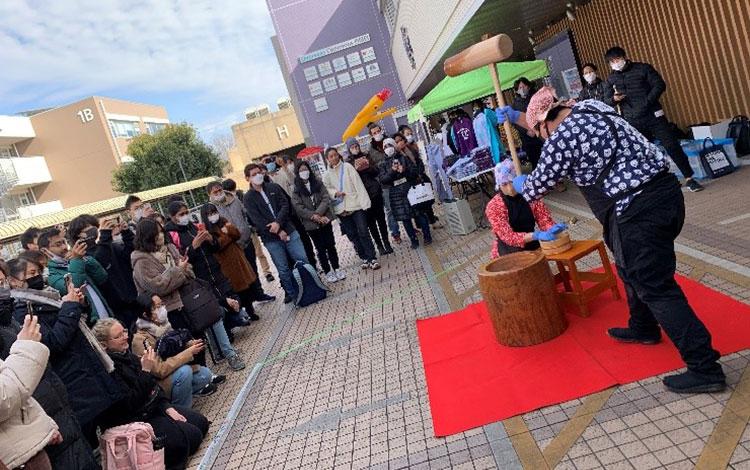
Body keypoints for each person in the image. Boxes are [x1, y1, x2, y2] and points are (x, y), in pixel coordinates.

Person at [500, 86, 725, 393]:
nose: (540, 138)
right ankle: (643, 327)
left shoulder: (561, 140)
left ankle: (705, 367)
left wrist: (520, 181)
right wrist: (516, 117)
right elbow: (546, 124)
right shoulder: (591, 106)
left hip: (637, 209)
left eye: (538, 132)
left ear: (546, 123)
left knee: (655, 286)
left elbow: (534, 189)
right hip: (666, 194)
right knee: (628, 267)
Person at [7, 258, 124, 442]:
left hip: (87, 372)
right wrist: (70, 307)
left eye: (38, 271)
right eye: (30, 273)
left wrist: (78, 303)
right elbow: (53, 343)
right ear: (13, 280)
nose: (37, 276)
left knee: (117, 433)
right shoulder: (23, 310)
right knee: (93, 440)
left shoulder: (48, 296)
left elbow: (73, 322)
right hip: (73, 382)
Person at [93, 318, 209, 470]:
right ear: (104, 345)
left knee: (201, 422)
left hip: (153, 407)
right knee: (192, 437)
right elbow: (131, 402)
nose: (125, 337)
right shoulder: (106, 370)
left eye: (124, 332)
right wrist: (146, 371)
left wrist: (167, 407)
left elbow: (153, 387)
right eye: (118, 336)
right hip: (136, 419)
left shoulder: (126, 355)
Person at [131, 218, 246, 371]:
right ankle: (203, 372)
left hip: (188, 295)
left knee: (212, 317)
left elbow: (187, 269)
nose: (160, 236)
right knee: (189, 339)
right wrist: (178, 271)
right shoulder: (141, 261)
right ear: (146, 236)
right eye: (156, 233)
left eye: (161, 232)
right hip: (170, 307)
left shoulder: (170, 248)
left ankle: (227, 355)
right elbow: (159, 287)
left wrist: (181, 271)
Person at [604, 46, 703, 192]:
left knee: (671, 145)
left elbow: (659, 85)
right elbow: (606, 100)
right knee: (643, 152)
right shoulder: (611, 78)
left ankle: (689, 178)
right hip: (633, 120)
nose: (615, 63)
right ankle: (659, 182)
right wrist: (614, 99)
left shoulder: (643, 68)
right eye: (612, 61)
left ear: (624, 57)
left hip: (654, 115)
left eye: (617, 59)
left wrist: (647, 102)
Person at [164, 201, 251, 332]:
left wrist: (210, 239)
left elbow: (215, 248)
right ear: (172, 216)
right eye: (181, 214)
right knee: (215, 304)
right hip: (199, 275)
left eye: (187, 212)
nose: (185, 216)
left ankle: (236, 319)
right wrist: (193, 247)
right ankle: (227, 332)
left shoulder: (194, 226)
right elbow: (180, 259)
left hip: (215, 269)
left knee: (230, 295)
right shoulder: (172, 234)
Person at [131, 293, 224, 408]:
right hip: (160, 383)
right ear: (145, 314)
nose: (162, 309)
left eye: (162, 304)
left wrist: (190, 345)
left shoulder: (164, 325)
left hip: (174, 372)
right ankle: (182, 410)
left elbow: (173, 347)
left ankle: (185, 393)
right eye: (156, 307)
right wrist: (188, 352)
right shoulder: (140, 339)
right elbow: (160, 370)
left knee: (205, 375)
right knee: (185, 372)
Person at [0, 314, 62, 470]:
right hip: (17, 460)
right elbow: (3, 399)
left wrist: (44, 426)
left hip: (24, 448)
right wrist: (27, 348)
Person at [243, 163, 309, 304]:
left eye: (259, 172)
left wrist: (278, 224)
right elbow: (257, 220)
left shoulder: (273, 187)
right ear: (247, 178)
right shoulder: (248, 198)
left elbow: (285, 205)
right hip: (271, 238)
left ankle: (310, 288)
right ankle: (294, 296)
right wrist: (278, 231)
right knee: (283, 269)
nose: (258, 175)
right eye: (253, 174)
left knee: (303, 259)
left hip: (289, 230)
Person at [206, 181, 275, 302]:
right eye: (214, 192)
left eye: (219, 190)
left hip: (246, 240)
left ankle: (259, 294)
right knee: (239, 275)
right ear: (209, 194)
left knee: (252, 269)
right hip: (231, 247)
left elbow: (245, 214)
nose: (218, 193)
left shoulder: (234, 199)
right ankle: (246, 302)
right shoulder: (211, 209)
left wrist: (249, 228)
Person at [485, 159, 562, 258]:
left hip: (532, 246)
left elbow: (543, 220)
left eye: (512, 182)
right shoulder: (494, 206)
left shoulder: (531, 196)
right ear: (499, 185)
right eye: (504, 184)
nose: (510, 188)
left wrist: (551, 228)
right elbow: (507, 236)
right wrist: (535, 235)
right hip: (508, 251)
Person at [199, 202, 262, 320]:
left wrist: (228, 230)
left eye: (214, 212)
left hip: (238, 258)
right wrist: (226, 235)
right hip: (225, 264)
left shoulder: (223, 221)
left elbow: (237, 234)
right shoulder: (207, 231)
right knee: (235, 289)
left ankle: (250, 310)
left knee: (247, 287)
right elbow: (217, 246)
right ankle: (240, 314)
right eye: (209, 214)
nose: (213, 215)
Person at [322, 147, 380, 270]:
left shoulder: (348, 167)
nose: (334, 158)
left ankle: (372, 257)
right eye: (330, 156)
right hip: (341, 209)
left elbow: (358, 184)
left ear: (338, 155)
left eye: (335, 155)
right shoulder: (326, 175)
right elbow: (326, 188)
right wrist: (335, 193)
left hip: (355, 205)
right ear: (327, 159)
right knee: (353, 235)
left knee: (363, 231)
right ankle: (364, 257)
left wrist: (365, 203)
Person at [39, 225, 113, 321]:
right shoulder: (50, 275)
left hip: (105, 314)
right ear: (45, 251)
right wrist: (77, 260)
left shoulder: (74, 261)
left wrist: (84, 258)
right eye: (58, 245)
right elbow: (73, 288)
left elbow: (102, 277)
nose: (65, 247)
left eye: (64, 242)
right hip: (90, 322)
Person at [291, 161, 345, 284]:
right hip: (311, 225)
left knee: (330, 244)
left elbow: (326, 198)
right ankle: (327, 271)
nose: (304, 172)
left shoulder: (318, 183)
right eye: (301, 170)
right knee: (320, 248)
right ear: (297, 173)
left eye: (306, 169)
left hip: (325, 219)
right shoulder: (296, 190)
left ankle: (337, 268)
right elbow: (298, 207)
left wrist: (319, 213)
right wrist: (314, 216)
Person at [379, 138, 432, 249]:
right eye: (385, 147)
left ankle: (427, 236)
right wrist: (393, 171)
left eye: (390, 145)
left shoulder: (404, 158)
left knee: (419, 212)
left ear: (394, 146)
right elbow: (383, 180)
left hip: (410, 188)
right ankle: (413, 240)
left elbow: (414, 171)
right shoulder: (383, 164)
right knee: (404, 218)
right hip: (395, 193)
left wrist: (405, 170)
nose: (388, 148)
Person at [221, 178, 275, 283]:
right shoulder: (223, 201)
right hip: (236, 236)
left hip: (249, 230)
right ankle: (253, 278)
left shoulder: (242, 196)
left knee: (259, 252)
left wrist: (252, 226)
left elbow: (247, 213)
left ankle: (267, 272)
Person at [348, 138, 394, 256]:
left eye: (356, 146)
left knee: (381, 220)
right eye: (352, 147)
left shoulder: (367, 155)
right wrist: (356, 170)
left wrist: (367, 166)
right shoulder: (348, 163)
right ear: (349, 149)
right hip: (362, 196)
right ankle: (379, 245)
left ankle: (386, 242)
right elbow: (350, 180)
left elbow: (376, 171)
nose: (355, 148)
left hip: (375, 192)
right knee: (371, 223)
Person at [395, 130, 440, 226]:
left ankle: (432, 220)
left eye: (401, 140)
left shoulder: (411, 149)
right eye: (397, 141)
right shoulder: (397, 156)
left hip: (421, 178)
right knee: (416, 204)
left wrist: (419, 172)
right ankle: (420, 224)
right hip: (410, 181)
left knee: (426, 200)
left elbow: (419, 161)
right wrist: (413, 174)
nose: (400, 142)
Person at [367, 122, 401, 243]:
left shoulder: (389, 140)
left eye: (378, 131)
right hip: (385, 182)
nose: (377, 134)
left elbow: (398, 154)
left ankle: (411, 226)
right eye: (374, 133)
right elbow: (373, 167)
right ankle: (395, 232)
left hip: (399, 177)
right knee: (390, 208)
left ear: (381, 130)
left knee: (405, 203)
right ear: (371, 135)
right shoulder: (371, 150)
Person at [511, 77, 544, 168]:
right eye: (520, 88)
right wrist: (527, 131)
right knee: (535, 161)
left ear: (528, 86)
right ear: (517, 91)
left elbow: (543, 112)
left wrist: (537, 128)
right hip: (527, 138)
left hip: (541, 133)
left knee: (547, 158)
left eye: (524, 86)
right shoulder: (515, 104)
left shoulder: (536, 97)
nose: (522, 89)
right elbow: (515, 122)